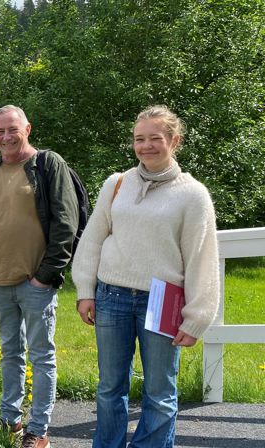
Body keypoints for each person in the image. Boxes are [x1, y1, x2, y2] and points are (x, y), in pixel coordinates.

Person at [72, 105, 219, 448]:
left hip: (162, 301)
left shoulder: (192, 194)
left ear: (174, 140)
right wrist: (85, 289)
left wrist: (197, 317)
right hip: (111, 297)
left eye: (155, 138)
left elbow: (201, 258)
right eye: (140, 139)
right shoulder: (117, 183)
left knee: (160, 392)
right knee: (110, 387)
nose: (146, 146)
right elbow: (93, 237)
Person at [0, 105, 79, 448]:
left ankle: (39, 429)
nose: (6, 136)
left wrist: (47, 274)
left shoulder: (47, 164)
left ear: (27, 128)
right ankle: (10, 418)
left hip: (36, 280)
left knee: (41, 355)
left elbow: (67, 223)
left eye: (12, 129)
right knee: (10, 352)